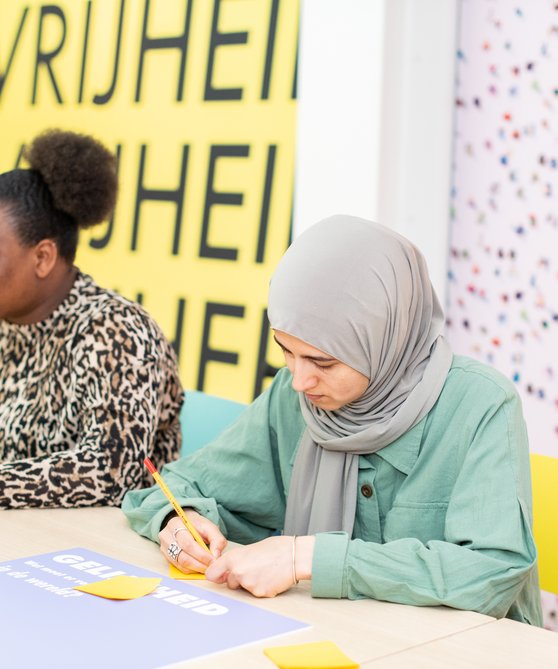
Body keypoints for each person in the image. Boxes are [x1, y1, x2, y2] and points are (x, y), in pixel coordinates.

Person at [122, 215, 542, 624]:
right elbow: (174, 487)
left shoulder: (482, 405)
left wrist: (305, 557)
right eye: (286, 351)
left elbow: (492, 572)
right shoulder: (293, 396)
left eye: (322, 361)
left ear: (385, 339)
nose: (300, 379)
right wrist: (180, 522)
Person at [0, 129, 183, 509]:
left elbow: (112, 472)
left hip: (100, 552)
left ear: (43, 258)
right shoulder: (8, 321)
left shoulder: (116, 331)